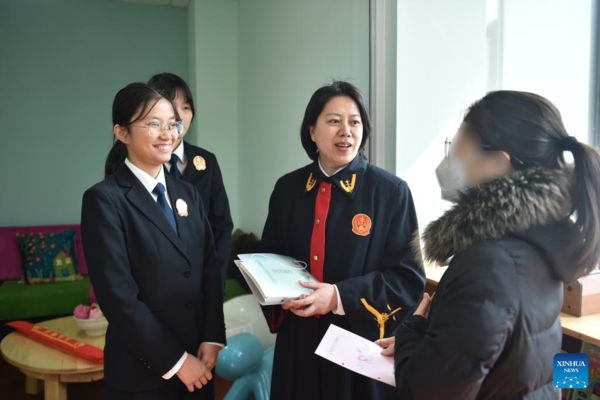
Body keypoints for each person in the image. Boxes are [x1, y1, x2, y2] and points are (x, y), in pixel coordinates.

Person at [379, 90, 600, 399]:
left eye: (458, 146)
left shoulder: (488, 262)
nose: (450, 157)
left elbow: (429, 390)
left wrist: (412, 332)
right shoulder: (540, 241)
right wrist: (436, 340)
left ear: (497, 162)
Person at [260, 80, 425, 399]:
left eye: (354, 122)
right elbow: (270, 259)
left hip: (360, 348)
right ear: (311, 129)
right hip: (299, 341)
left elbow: (407, 279)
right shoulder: (287, 189)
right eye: (334, 121)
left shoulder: (390, 192)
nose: (345, 131)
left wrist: (337, 297)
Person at [81, 83, 226, 400]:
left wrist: (213, 336)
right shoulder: (104, 200)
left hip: (200, 362)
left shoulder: (188, 193)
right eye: (153, 124)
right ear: (122, 133)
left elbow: (210, 267)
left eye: (172, 124)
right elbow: (119, 298)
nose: (168, 134)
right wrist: (176, 361)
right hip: (143, 371)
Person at [148, 73, 233, 297]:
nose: (180, 116)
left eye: (186, 108)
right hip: (158, 285)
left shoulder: (207, 161)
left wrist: (218, 277)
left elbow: (222, 224)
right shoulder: (143, 164)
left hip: (203, 280)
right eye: (172, 107)